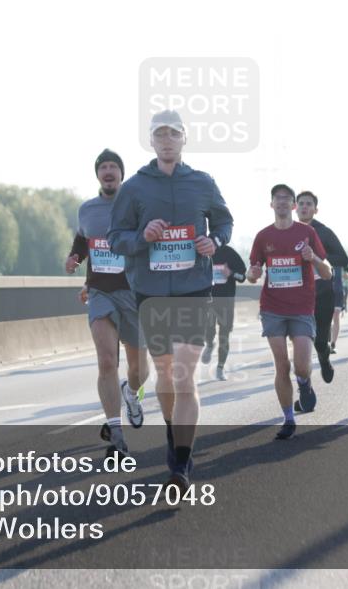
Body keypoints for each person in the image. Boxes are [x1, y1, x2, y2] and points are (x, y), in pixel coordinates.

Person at [108, 110, 233, 492]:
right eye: (159, 134)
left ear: (184, 139)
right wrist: (143, 236)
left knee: (184, 376)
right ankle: (172, 433)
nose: (166, 140)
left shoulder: (202, 182)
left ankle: (181, 464)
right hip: (151, 293)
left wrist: (217, 241)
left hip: (195, 291)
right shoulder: (134, 188)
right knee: (164, 376)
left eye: (173, 134)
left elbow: (225, 222)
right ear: (151, 141)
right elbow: (116, 239)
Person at [67, 149, 149, 456]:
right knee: (106, 361)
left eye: (114, 166)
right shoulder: (87, 209)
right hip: (100, 292)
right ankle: (116, 432)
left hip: (134, 293)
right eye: (103, 166)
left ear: (122, 173)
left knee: (140, 370)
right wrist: (75, 257)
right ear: (98, 174)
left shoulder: (138, 207)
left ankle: (132, 393)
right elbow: (82, 241)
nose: (109, 170)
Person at [248, 184, 331, 439]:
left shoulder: (306, 232)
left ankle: (304, 384)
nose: (282, 202)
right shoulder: (263, 236)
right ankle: (288, 418)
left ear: (294, 206)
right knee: (282, 365)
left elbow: (327, 272)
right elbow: (252, 273)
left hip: (302, 307)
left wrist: (313, 258)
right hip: (272, 308)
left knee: (301, 366)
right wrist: (253, 273)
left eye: (287, 199)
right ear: (271, 204)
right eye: (278, 199)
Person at [294, 191, 348, 383]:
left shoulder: (324, 232)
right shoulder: (287, 231)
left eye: (309, 204)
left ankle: (324, 359)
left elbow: (343, 258)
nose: (304, 207)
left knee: (319, 341)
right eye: (301, 203)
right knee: (301, 343)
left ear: (315, 209)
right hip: (296, 296)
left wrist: (316, 259)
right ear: (295, 207)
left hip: (322, 294)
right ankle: (305, 388)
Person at [202, 243, 247, 380]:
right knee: (208, 330)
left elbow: (242, 277)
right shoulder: (203, 251)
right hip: (208, 300)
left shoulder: (229, 253)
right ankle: (209, 344)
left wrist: (231, 273)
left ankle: (220, 368)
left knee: (224, 335)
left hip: (226, 301)